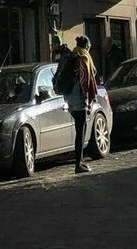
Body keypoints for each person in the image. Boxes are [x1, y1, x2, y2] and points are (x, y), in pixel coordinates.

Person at [53, 35, 99, 172]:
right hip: (78, 97)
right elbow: (85, 80)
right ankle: (79, 163)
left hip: (67, 97)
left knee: (79, 128)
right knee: (81, 130)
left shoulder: (70, 55)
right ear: (86, 46)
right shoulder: (83, 57)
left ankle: (80, 161)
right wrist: (88, 99)